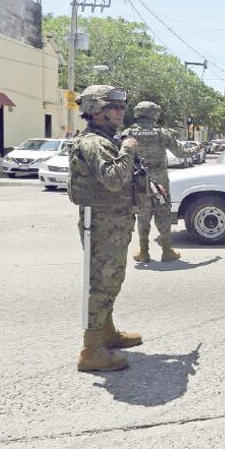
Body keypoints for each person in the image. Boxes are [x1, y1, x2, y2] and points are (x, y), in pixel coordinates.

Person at [66, 85, 142, 373]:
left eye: (122, 107)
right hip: (103, 224)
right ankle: (91, 349)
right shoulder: (95, 143)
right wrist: (127, 149)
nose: (120, 112)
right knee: (102, 284)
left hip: (113, 222)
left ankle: (106, 333)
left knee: (112, 280)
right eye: (114, 107)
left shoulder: (104, 138)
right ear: (96, 111)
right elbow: (113, 179)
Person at [122, 101, 193, 263]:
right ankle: (167, 251)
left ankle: (144, 252)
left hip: (138, 179)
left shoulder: (128, 133)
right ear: (153, 114)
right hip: (160, 180)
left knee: (142, 214)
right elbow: (181, 153)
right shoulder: (163, 133)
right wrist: (197, 149)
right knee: (163, 213)